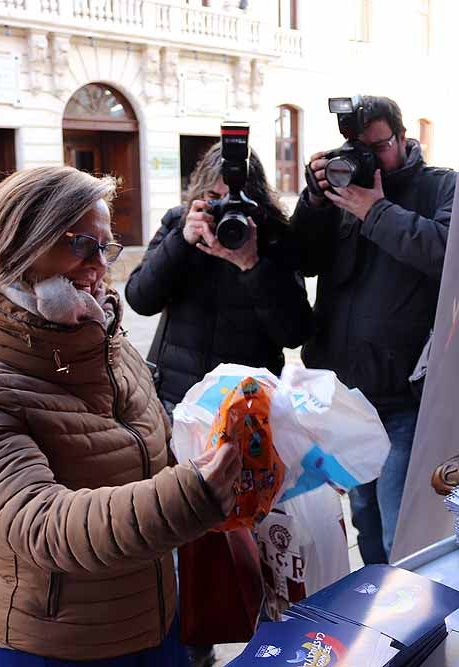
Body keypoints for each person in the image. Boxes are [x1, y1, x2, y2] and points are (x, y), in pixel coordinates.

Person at [0, 166, 242, 666]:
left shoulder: (101, 337)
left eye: (106, 248)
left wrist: (246, 454)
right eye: (81, 245)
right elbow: (39, 522)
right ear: (18, 247)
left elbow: (151, 452)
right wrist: (193, 493)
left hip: (154, 616)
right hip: (58, 642)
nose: (99, 268)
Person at [126, 143, 312, 666]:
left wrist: (252, 262)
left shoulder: (271, 237)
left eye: (235, 201)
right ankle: (194, 645)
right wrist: (183, 243)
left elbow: (295, 329)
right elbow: (140, 296)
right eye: (212, 199)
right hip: (177, 400)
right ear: (197, 197)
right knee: (182, 528)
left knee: (251, 528)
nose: (224, 212)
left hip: (245, 414)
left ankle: (269, 641)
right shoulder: (178, 224)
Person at [291, 95, 457, 563]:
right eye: (356, 148)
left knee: (400, 529)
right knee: (364, 518)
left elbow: (443, 252)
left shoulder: (442, 187)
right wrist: (315, 200)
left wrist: (375, 209)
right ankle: (375, 610)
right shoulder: (340, 192)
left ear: (404, 138)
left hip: (402, 399)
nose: (367, 158)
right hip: (344, 396)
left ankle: (409, 623)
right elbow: (302, 260)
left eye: (378, 146)